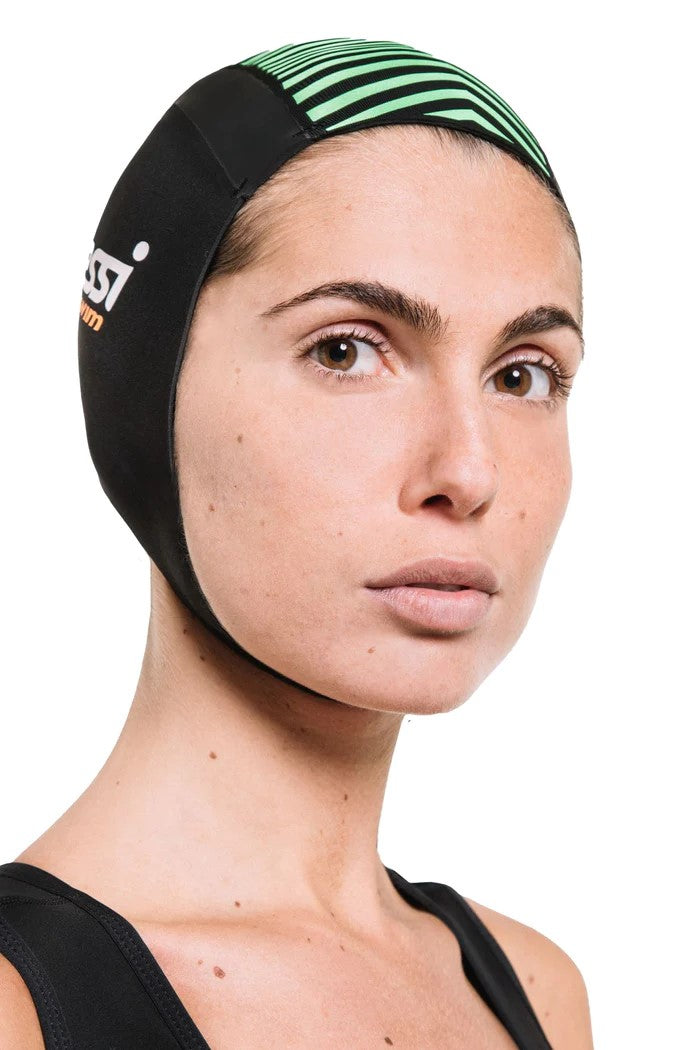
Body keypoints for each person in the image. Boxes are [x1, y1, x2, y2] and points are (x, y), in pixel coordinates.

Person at [0, 36, 594, 1049]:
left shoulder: (538, 994)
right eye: (346, 350)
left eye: (522, 374)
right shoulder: (19, 1010)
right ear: (146, 397)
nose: (469, 471)